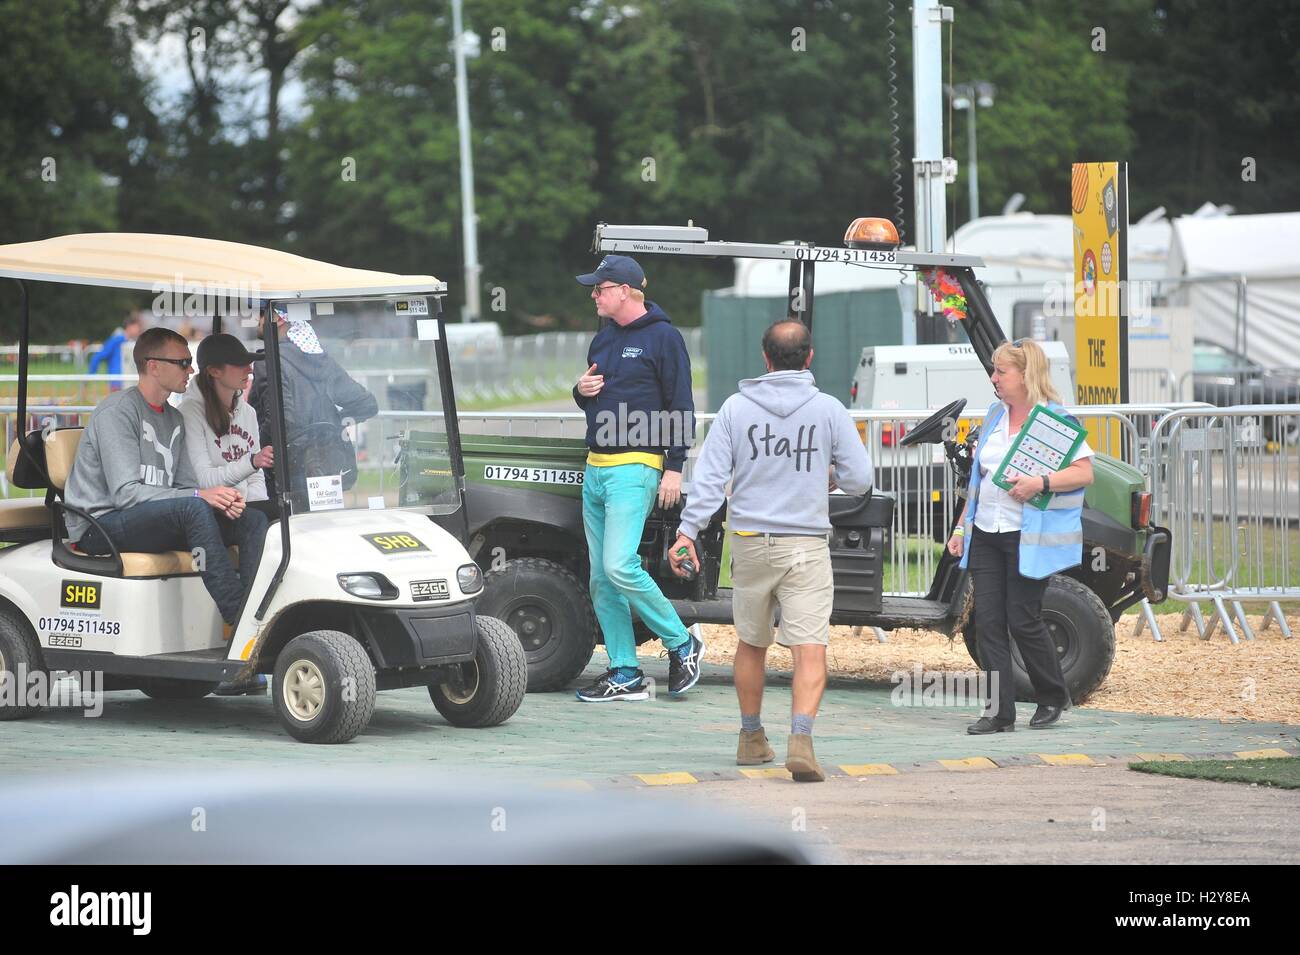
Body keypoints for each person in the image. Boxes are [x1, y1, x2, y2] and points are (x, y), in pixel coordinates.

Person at [670, 321, 873, 782]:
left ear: (765, 359)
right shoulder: (828, 410)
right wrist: (831, 476)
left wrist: (687, 531)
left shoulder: (736, 410)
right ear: (810, 356)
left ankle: (750, 737)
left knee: (751, 643)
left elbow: (709, 481)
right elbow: (861, 479)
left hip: (748, 544)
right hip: (803, 544)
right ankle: (800, 738)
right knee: (809, 647)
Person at [64, 327, 270, 629]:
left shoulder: (173, 418)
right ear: (153, 366)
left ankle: (257, 612)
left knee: (251, 520)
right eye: (183, 363)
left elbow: (185, 486)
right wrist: (201, 497)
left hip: (149, 519)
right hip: (100, 525)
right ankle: (240, 619)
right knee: (194, 506)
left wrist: (218, 500)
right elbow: (126, 494)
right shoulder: (118, 412)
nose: (192, 369)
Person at [571, 254, 703, 702]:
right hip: (597, 466)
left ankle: (681, 642)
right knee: (601, 578)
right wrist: (579, 393)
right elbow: (596, 403)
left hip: (636, 465)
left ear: (624, 291)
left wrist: (674, 467)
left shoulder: (665, 338)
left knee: (618, 565)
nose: (594, 294)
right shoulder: (602, 340)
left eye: (600, 288)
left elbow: (681, 405)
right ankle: (625, 670)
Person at [947, 338, 1095, 735]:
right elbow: (977, 480)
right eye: (994, 371)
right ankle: (999, 713)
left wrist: (1039, 483)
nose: (993, 378)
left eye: (1001, 371)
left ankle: (1052, 696)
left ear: (1025, 375)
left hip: (1026, 538)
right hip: (987, 533)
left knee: (1023, 620)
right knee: (988, 623)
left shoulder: (1055, 419)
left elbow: (1084, 472)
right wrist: (962, 527)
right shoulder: (995, 415)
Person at [249, 304, 378, 509]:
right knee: (325, 530)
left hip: (287, 470)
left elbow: (279, 421)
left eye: (263, 314)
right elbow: (366, 404)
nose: (257, 318)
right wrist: (333, 425)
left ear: (280, 320)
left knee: (289, 533)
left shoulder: (267, 361)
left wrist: (255, 452)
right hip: (329, 465)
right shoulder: (320, 359)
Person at [179, 334, 276, 520]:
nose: (249, 369)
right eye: (240, 364)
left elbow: (256, 477)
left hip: (246, 511)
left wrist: (257, 509)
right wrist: (251, 462)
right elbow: (203, 480)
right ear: (214, 371)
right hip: (210, 513)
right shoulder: (189, 412)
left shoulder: (248, 412)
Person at [87, 314, 143, 392]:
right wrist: (90, 375)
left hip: (129, 382)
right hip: (117, 382)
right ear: (129, 326)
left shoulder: (134, 343)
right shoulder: (116, 340)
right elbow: (98, 356)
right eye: (137, 327)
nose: (139, 329)